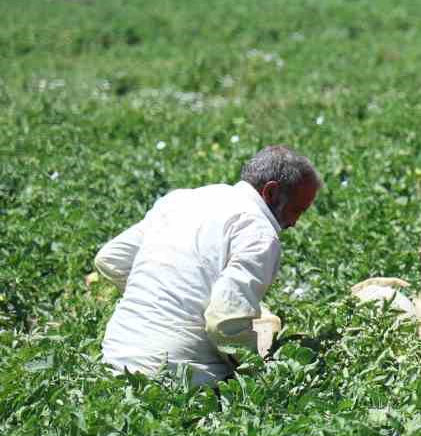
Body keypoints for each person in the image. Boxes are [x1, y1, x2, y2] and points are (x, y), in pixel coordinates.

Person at [95, 145, 321, 386]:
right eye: (297, 210)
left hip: (113, 363)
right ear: (271, 193)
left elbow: (109, 259)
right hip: (180, 378)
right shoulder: (259, 232)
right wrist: (262, 364)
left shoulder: (180, 200)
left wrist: (159, 297)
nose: (295, 223)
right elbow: (225, 322)